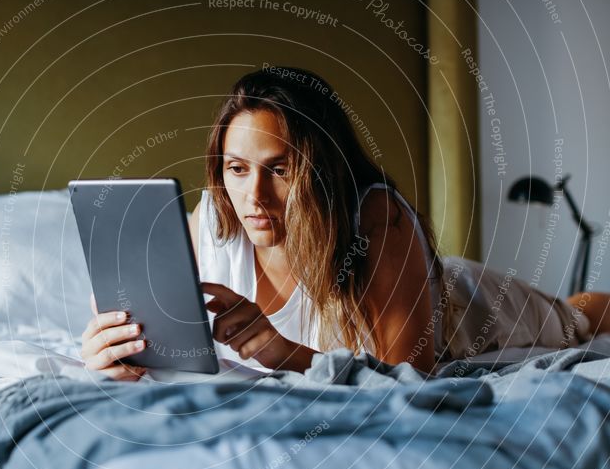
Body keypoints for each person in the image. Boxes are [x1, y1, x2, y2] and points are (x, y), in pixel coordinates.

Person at [80, 66, 610, 380]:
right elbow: (155, 334)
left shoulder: (377, 222)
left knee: (576, 320)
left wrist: (282, 352)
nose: (253, 196)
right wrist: (110, 349)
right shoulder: (210, 224)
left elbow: (408, 383)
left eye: (279, 170)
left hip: (462, 305)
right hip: (414, 288)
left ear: (321, 170)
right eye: (237, 169)